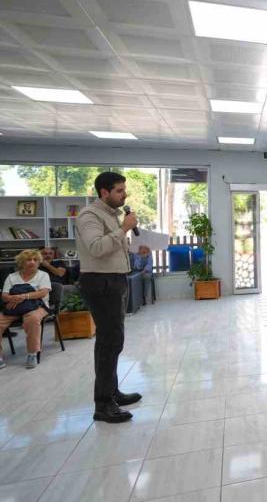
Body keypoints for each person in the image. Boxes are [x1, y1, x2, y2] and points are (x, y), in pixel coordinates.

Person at [76, 171, 142, 423]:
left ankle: (111, 392)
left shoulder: (112, 215)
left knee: (114, 340)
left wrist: (130, 235)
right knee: (108, 342)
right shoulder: (89, 216)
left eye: (124, 190)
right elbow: (96, 248)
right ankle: (103, 405)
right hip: (100, 281)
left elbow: (115, 247)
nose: (124, 195)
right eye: (119, 191)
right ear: (104, 192)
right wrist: (124, 228)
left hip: (114, 279)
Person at [0, 249, 51, 370]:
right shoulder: (12, 277)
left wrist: (23, 296)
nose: (32, 262)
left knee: (32, 319)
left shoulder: (43, 275)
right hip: (14, 307)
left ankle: (32, 353)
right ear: (22, 262)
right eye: (29, 260)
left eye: (35, 260)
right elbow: (4, 295)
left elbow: (43, 293)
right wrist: (13, 298)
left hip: (38, 306)